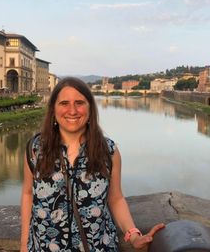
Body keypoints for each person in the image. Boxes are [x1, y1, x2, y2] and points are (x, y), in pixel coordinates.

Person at [20, 77, 164, 252]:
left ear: (90, 109)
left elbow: (116, 198)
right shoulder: (35, 149)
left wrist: (133, 235)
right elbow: (28, 194)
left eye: (79, 103)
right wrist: (24, 245)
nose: (72, 110)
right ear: (53, 110)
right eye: (64, 103)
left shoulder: (108, 151)